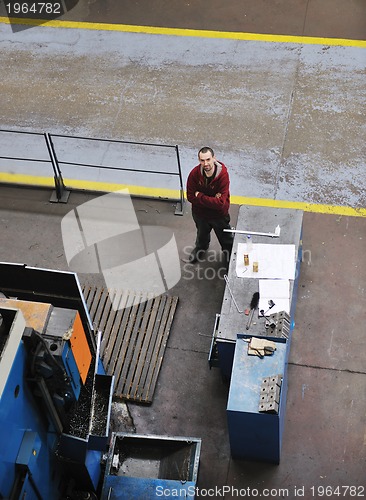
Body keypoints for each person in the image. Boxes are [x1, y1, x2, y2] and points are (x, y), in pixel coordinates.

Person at [186, 147, 234, 264]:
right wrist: (212, 199)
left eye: (208, 159)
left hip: (218, 215)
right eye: (202, 160)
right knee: (201, 235)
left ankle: (229, 254)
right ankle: (201, 248)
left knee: (225, 238)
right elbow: (190, 196)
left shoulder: (223, 176)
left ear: (214, 158)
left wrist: (200, 196)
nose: (205, 163)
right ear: (199, 160)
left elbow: (220, 203)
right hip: (200, 214)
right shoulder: (194, 174)